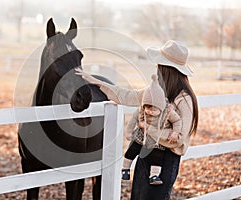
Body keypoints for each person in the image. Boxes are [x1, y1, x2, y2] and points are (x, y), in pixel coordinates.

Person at [76, 40, 198, 199]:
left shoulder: (185, 99)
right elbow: (127, 95)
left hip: (165, 161)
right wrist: (97, 82)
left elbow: (178, 138)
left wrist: (148, 129)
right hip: (145, 154)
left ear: (166, 69)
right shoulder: (156, 92)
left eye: (159, 65)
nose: (157, 68)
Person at [122, 74, 182, 186]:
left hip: (156, 138)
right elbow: (133, 120)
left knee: (157, 156)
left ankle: (154, 176)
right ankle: (125, 168)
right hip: (141, 134)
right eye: (147, 108)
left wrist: (175, 133)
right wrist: (129, 131)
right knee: (132, 149)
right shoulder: (142, 109)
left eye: (153, 109)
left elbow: (177, 121)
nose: (149, 111)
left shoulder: (168, 111)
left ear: (160, 106)